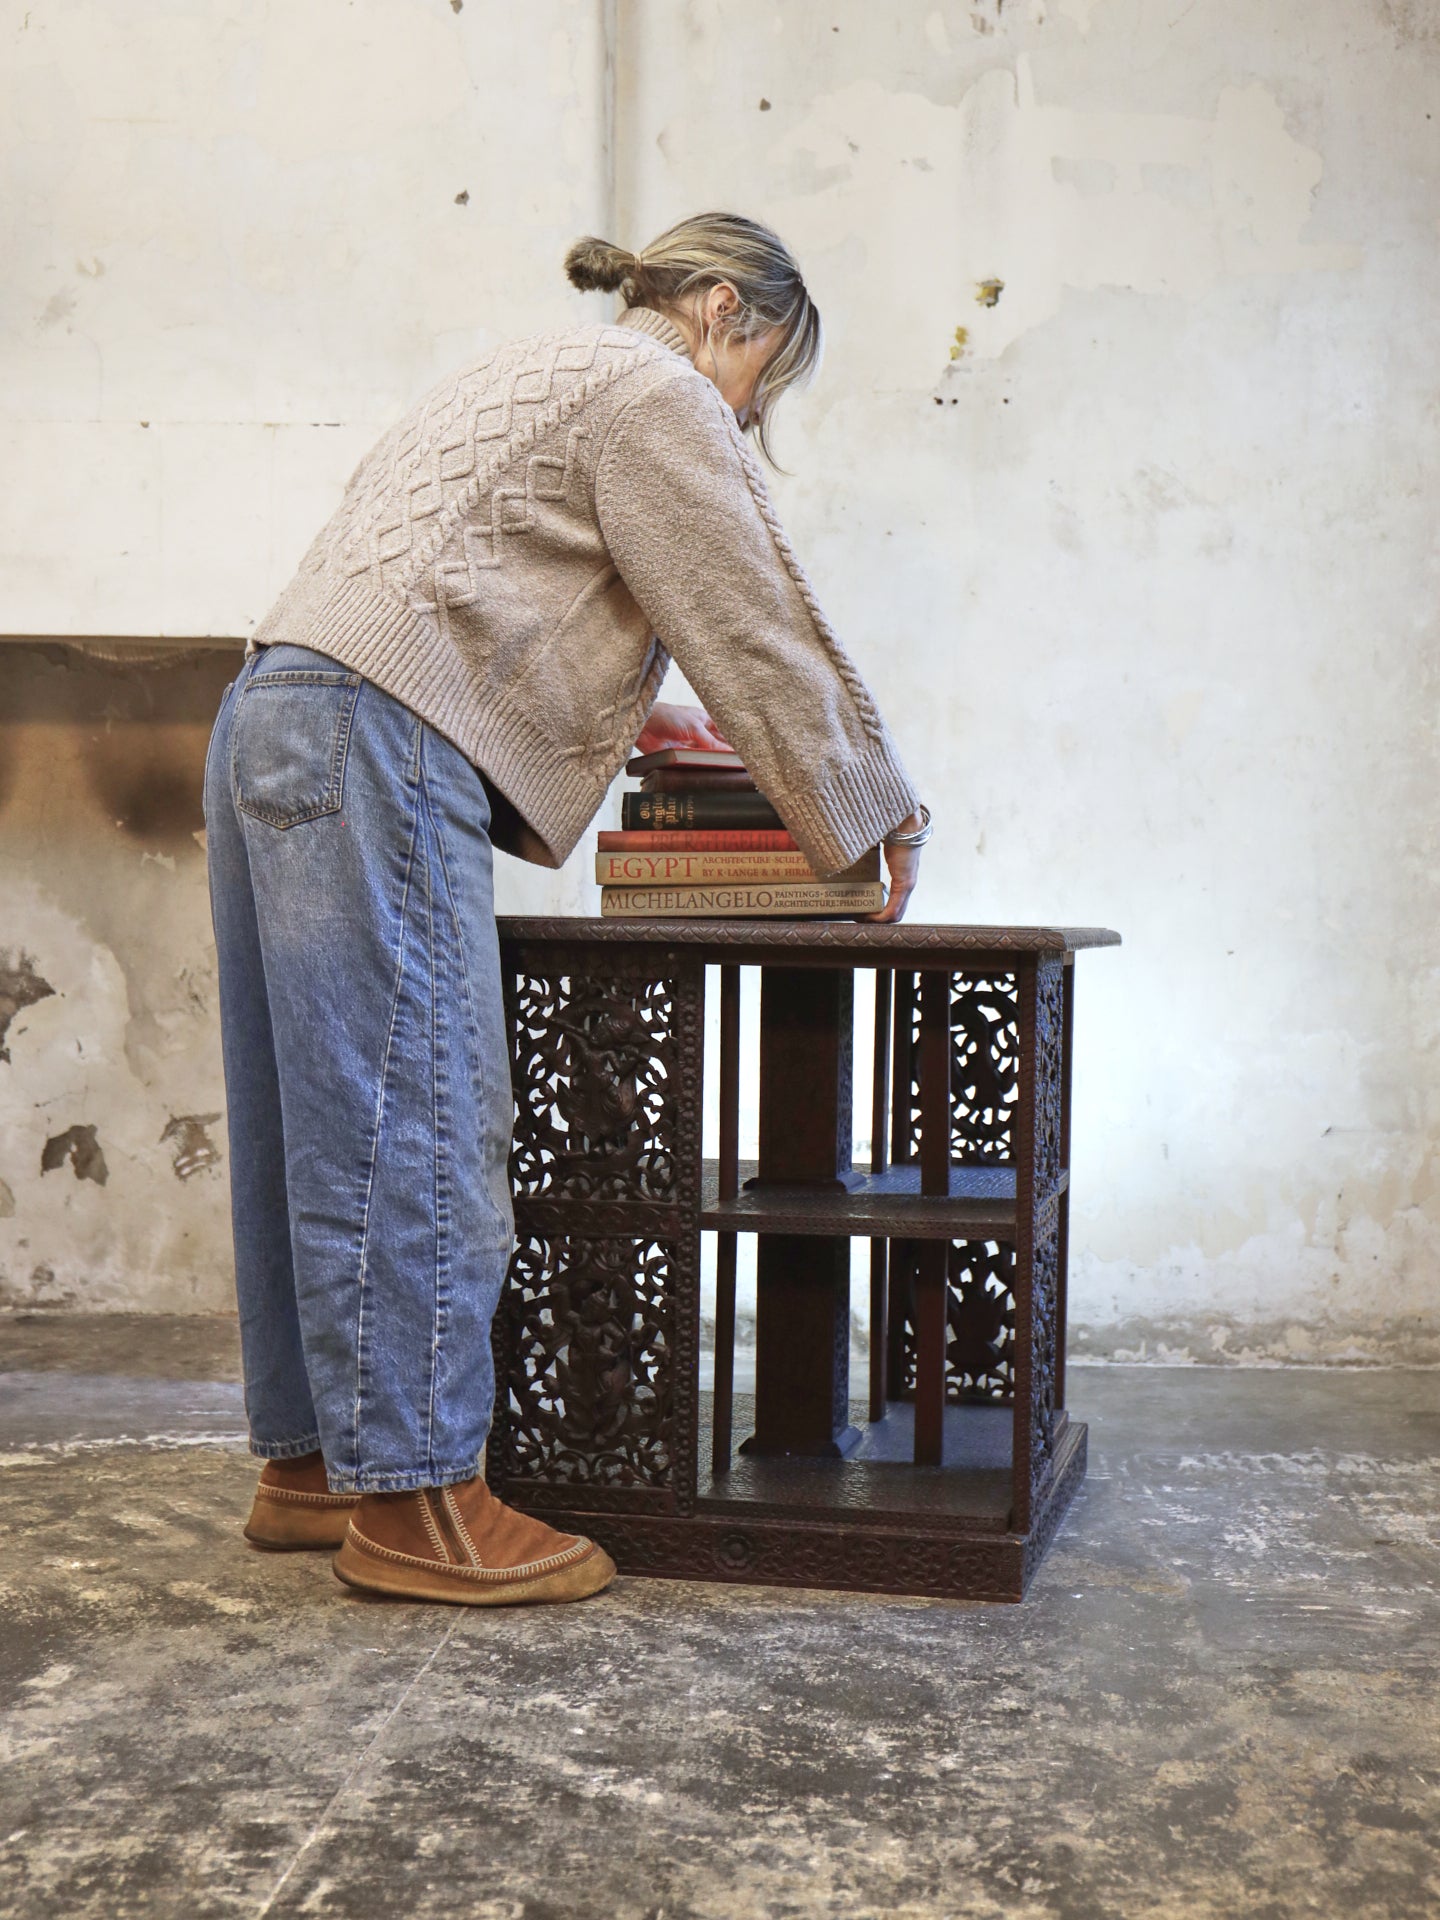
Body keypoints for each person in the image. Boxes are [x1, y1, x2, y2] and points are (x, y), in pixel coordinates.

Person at [202, 211, 930, 1609]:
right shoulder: (660, 392)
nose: (751, 415)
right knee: (418, 1111)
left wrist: (627, 707)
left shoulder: (528, 370)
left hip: (274, 710)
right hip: (378, 736)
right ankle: (420, 1505)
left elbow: (476, 583)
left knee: (310, 1114)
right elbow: (749, 615)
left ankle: (308, 1468)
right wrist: (868, 800)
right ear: (725, 308)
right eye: (763, 381)